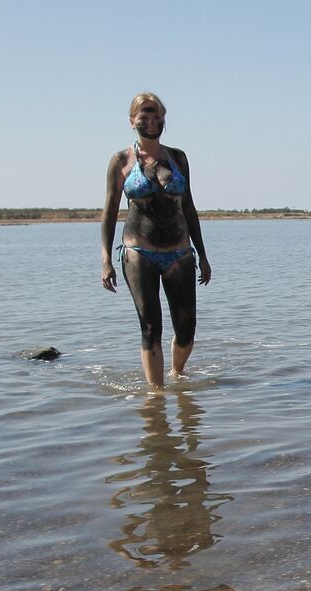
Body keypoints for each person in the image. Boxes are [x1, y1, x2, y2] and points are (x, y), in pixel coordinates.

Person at [100, 92, 212, 388]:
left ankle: (178, 374)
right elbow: (110, 212)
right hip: (139, 252)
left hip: (179, 253)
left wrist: (202, 255)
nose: (151, 123)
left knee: (186, 328)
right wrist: (105, 260)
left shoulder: (178, 158)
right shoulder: (121, 161)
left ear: (164, 120)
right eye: (144, 118)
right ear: (131, 122)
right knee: (151, 326)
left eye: (157, 118)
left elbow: (188, 206)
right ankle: (156, 395)